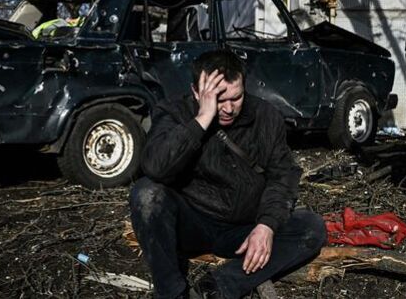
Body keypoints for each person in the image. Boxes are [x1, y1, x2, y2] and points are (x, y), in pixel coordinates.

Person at [130, 50, 327, 299]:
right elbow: (155, 167)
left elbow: (282, 176)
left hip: (243, 229)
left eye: (236, 98)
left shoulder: (266, 116)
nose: (228, 108)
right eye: (218, 100)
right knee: (147, 194)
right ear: (195, 92)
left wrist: (266, 225)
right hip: (191, 225)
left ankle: (216, 287)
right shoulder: (174, 111)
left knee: (312, 227)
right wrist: (202, 118)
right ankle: (172, 293)